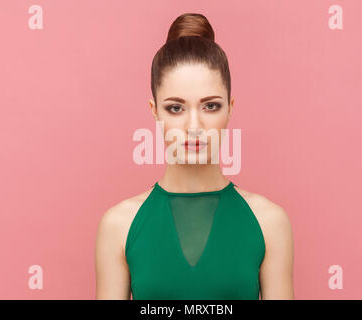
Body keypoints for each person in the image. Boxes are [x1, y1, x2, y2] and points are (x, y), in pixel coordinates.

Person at [95, 13, 294, 300]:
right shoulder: (119, 225)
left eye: (210, 106)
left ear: (230, 107)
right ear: (154, 111)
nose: (193, 127)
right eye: (175, 108)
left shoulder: (269, 223)